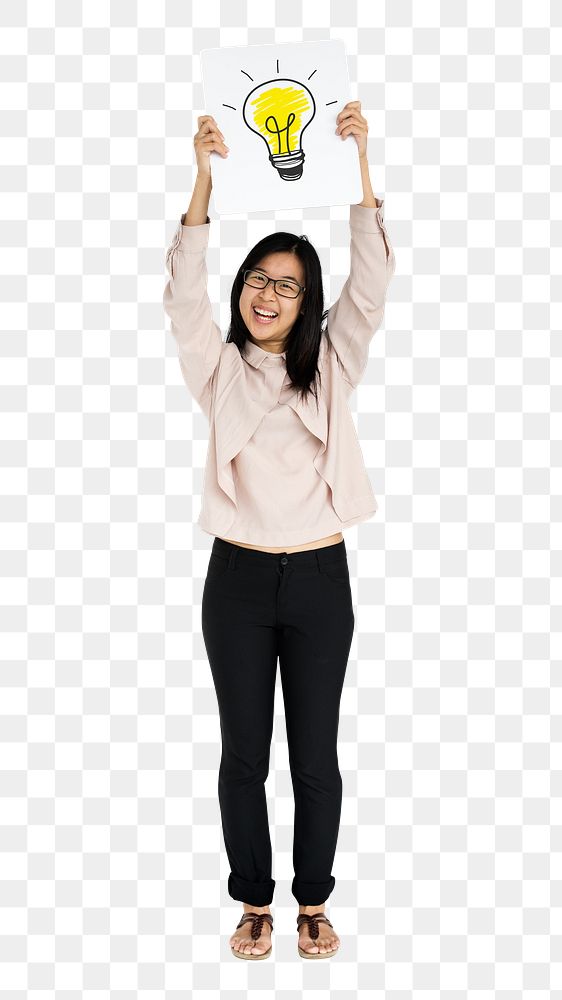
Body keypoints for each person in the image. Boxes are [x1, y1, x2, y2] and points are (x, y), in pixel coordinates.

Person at [163, 102, 396, 960]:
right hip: (238, 580)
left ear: (307, 303)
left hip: (321, 577)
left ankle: (313, 904)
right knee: (242, 759)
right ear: (243, 289)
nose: (268, 293)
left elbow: (371, 282)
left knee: (315, 759)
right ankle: (253, 901)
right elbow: (182, 293)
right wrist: (204, 179)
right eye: (258, 278)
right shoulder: (217, 369)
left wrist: (360, 162)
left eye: (287, 283)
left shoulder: (333, 366)